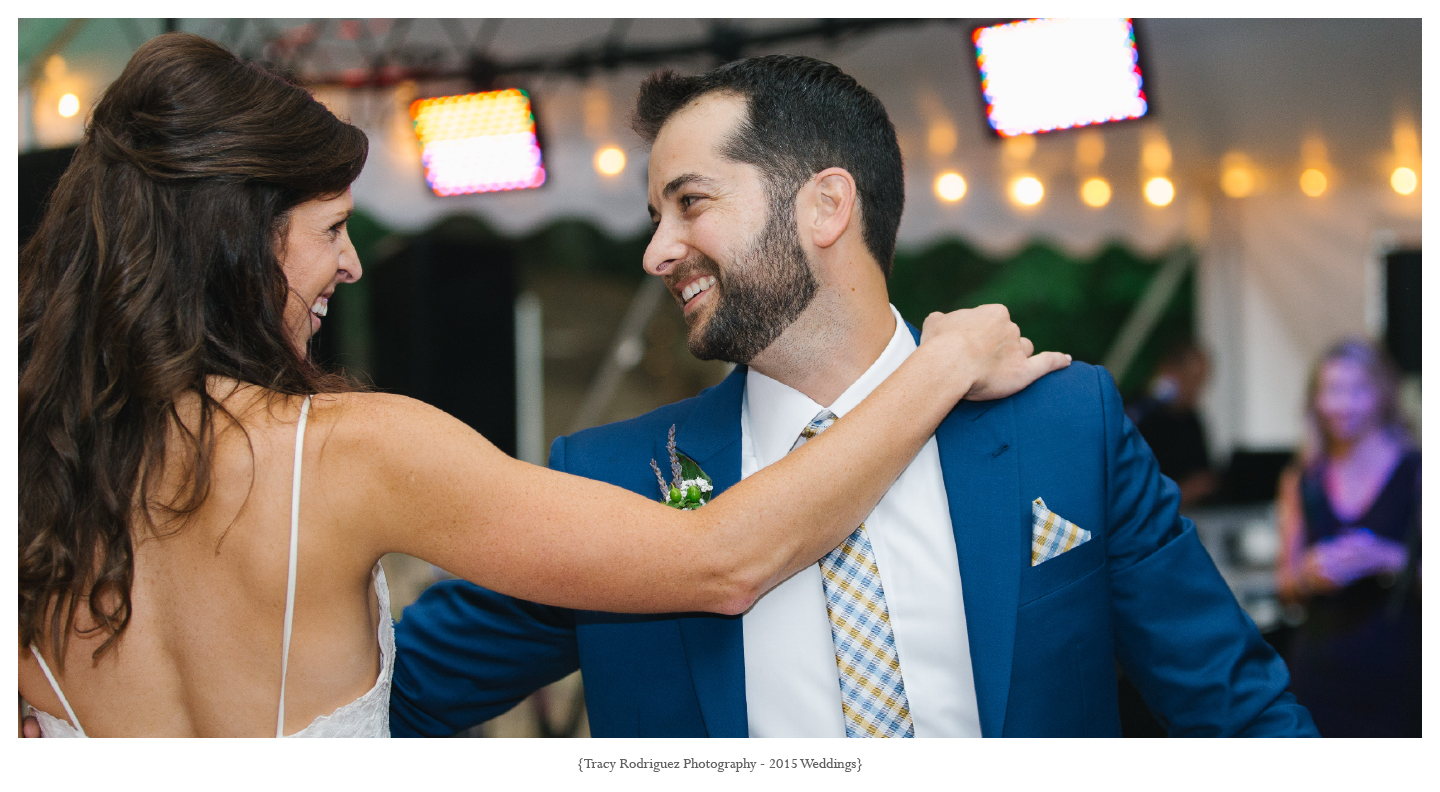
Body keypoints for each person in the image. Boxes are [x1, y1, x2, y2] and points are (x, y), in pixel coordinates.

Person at [16, 34, 1065, 738]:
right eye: (332, 231)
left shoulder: (36, 486)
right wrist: (939, 364)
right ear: (234, 244)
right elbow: (726, 557)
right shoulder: (347, 449)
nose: (352, 266)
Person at [390, 56, 1317, 737]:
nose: (656, 251)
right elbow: (399, 698)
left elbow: (1239, 711)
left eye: (691, 202)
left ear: (827, 206)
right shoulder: (613, 476)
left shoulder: (1066, 423)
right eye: (653, 217)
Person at [1274, 338, 1420, 737]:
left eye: (1357, 390)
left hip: (1402, 677)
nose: (1343, 404)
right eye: (1331, 390)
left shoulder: (1418, 471)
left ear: (1382, 394)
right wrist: (1309, 572)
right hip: (1320, 674)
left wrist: (1386, 559)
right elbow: (1285, 585)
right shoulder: (1303, 478)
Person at [1127, 339, 1218, 510]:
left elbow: (1205, 478)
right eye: (1190, 380)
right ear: (1168, 372)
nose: (1195, 391)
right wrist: (1183, 490)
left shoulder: (1192, 420)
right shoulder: (1138, 415)